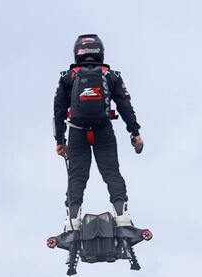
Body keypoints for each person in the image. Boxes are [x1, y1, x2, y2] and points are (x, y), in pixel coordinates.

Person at [53, 34, 143, 231]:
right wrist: (135, 132)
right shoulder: (111, 76)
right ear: (100, 51)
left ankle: (73, 220)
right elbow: (125, 106)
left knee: (77, 177)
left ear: (77, 52)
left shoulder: (68, 78)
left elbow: (58, 111)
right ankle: (122, 216)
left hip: (77, 132)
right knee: (111, 172)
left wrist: (60, 140)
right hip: (103, 131)